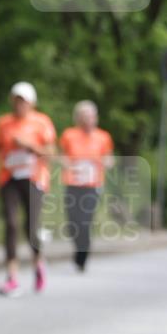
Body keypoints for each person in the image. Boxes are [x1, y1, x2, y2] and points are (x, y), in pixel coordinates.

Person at [0, 82, 56, 296]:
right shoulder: (4, 123)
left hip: (34, 177)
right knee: (10, 223)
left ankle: (38, 264)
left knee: (31, 226)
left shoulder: (41, 122)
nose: (19, 105)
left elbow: (51, 153)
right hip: (9, 177)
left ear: (32, 103)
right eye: (16, 100)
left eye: (23, 101)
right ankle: (12, 277)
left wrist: (29, 146)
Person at [59, 101, 114, 271]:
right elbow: (61, 156)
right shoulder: (69, 135)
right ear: (78, 118)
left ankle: (82, 255)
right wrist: (69, 164)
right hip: (73, 182)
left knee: (84, 221)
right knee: (72, 222)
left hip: (92, 184)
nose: (88, 120)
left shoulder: (103, 137)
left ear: (95, 118)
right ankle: (78, 248)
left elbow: (110, 159)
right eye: (84, 117)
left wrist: (103, 162)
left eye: (90, 117)